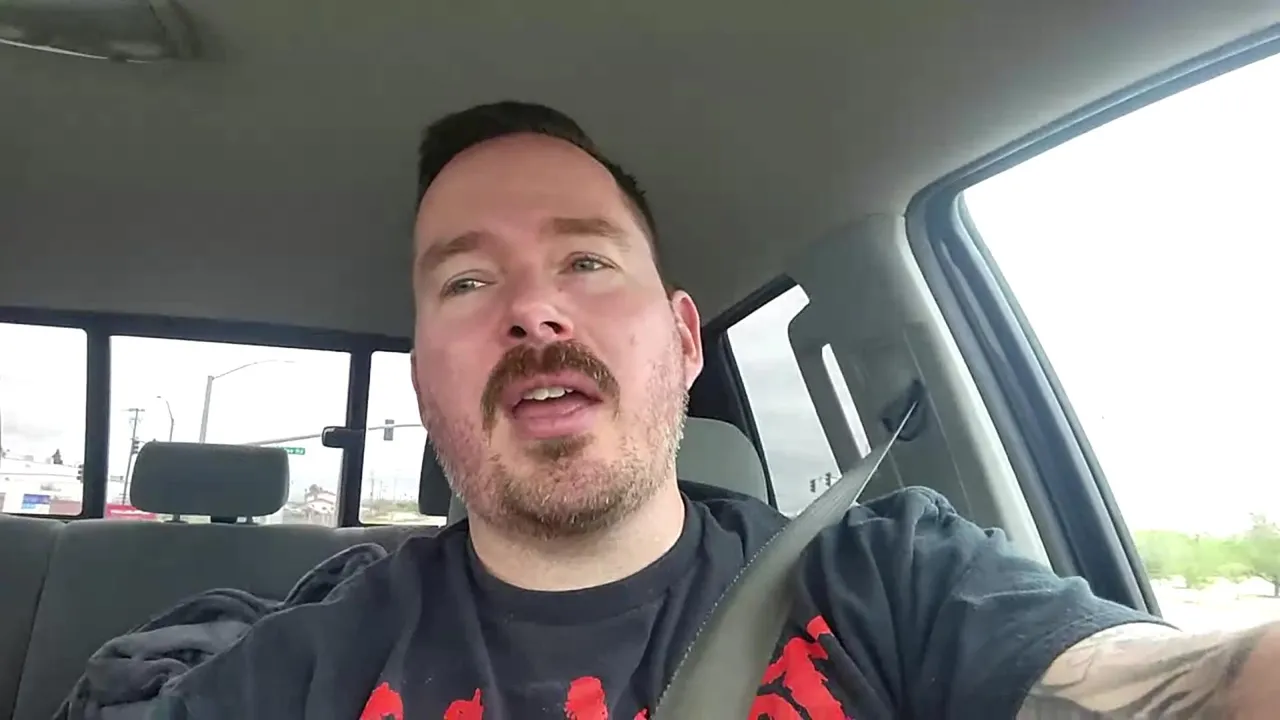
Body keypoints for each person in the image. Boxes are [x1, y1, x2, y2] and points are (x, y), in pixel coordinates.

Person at [152, 101, 1279, 719]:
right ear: (422, 379)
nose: (534, 310)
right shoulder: (296, 669)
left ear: (685, 340)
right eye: (466, 281)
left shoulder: (895, 581)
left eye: (587, 261)